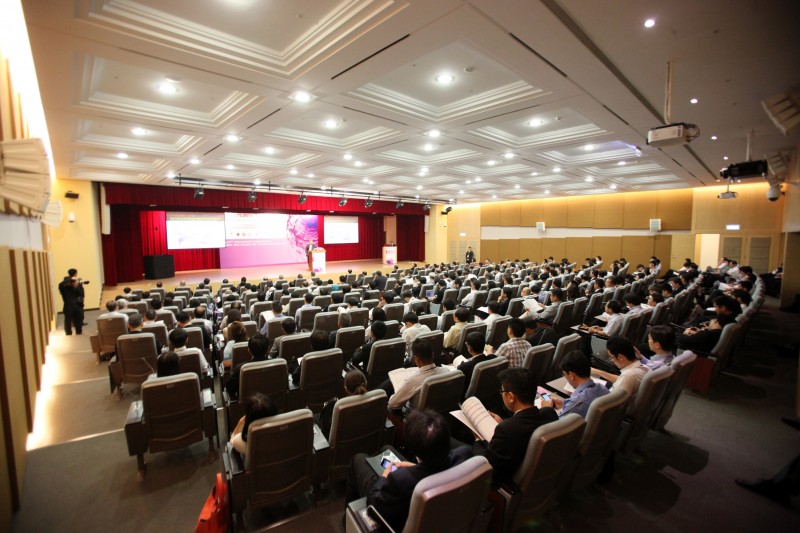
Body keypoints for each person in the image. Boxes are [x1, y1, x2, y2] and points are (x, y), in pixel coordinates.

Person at [345, 410, 472, 532]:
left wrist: (384, 477)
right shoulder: (464, 455)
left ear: (415, 450)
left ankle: (347, 521)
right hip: (441, 520)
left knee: (358, 459)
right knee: (387, 448)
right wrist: (416, 466)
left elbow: (373, 504)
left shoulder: (400, 480)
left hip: (398, 519)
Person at [473, 367, 558, 483]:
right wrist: (504, 423)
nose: (501, 394)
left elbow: (488, 466)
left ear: (511, 397)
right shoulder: (549, 413)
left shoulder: (506, 430)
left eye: (502, 391)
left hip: (504, 483)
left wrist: (478, 440)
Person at [387, 337, 450, 413]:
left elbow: (392, 404)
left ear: (416, 359)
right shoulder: (446, 371)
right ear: (433, 354)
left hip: (416, 417)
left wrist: (398, 391)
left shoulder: (413, 381)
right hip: (440, 413)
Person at [541, 350, 609, 419]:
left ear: (571, 375)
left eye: (564, 374)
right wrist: (565, 404)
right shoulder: (603, 389)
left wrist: (547, 410)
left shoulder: (577, 402)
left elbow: (558, 424)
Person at [318, 369, 369, 439]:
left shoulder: (338, 408)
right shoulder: (377, 401)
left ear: (346, 388)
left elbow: (327, 432)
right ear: (366, 383)